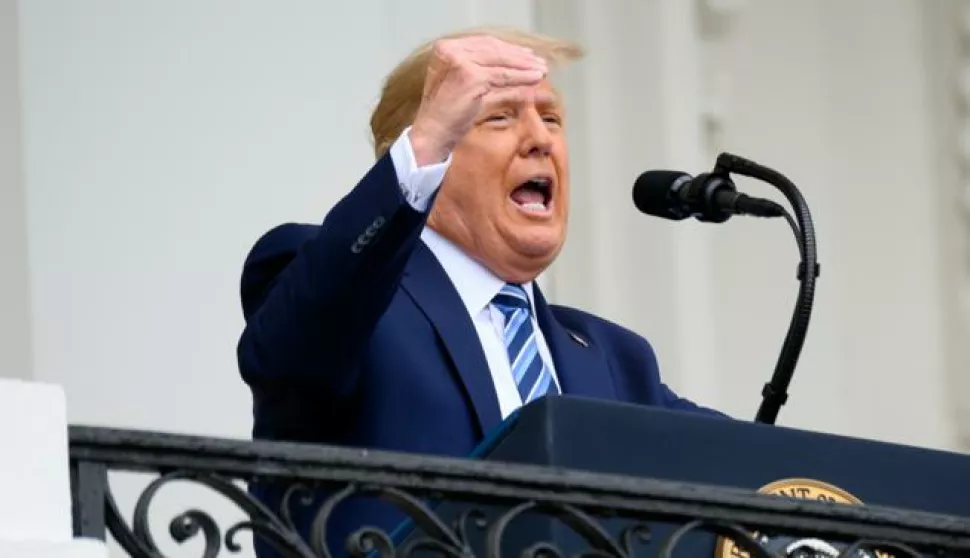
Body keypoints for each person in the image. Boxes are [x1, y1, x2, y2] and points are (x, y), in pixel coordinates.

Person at [236, 27, 725, 556]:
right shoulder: (344, 293)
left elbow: (746, 467)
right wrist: (422, 145)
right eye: (500, 115)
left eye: (552, 117)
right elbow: (296, 343)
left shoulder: (617, 358)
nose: (541, 138)